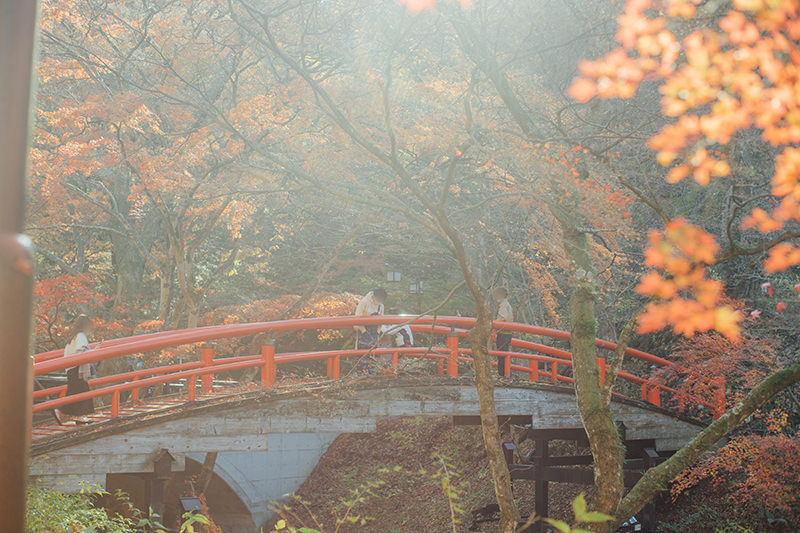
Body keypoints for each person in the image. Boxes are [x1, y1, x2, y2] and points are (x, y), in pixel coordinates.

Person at [54, 315, 96, 424]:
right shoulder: (81, 336)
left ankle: (77, 416)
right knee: (82, 392)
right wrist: (95, 351)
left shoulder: (73, 337)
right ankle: (60, 410)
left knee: (75, 393)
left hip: (71, 368)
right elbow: (81, 352)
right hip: (77, 368)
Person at [492, 287, 513, 377]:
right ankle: (503, 374)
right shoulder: (506, 304)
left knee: (502, 355)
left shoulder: (504, 305)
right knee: (503, 354)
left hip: (504, 333)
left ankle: (503, 374)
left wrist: (493, 326)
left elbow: (502, 319)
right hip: (506, 333)